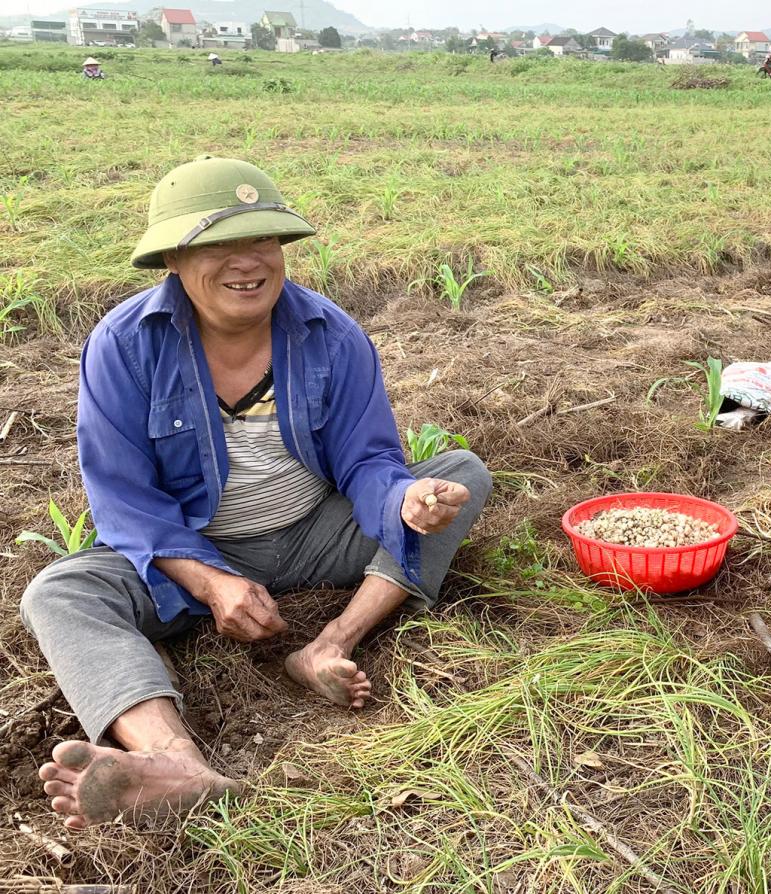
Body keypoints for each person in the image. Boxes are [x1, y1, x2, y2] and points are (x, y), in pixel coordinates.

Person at [20, 156, 492, 829]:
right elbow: (124, 502)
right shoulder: (124, 346)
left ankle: (330, 642)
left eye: (263, 240)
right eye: (219, 245)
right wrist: (213, 583)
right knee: (59, 593)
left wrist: (404, 502)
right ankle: (175, 763)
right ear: (174, 259)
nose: (249, 263)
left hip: (313, 533)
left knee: (461, 472)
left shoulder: (332, 335)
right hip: (192, 556)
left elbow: (368, 462)